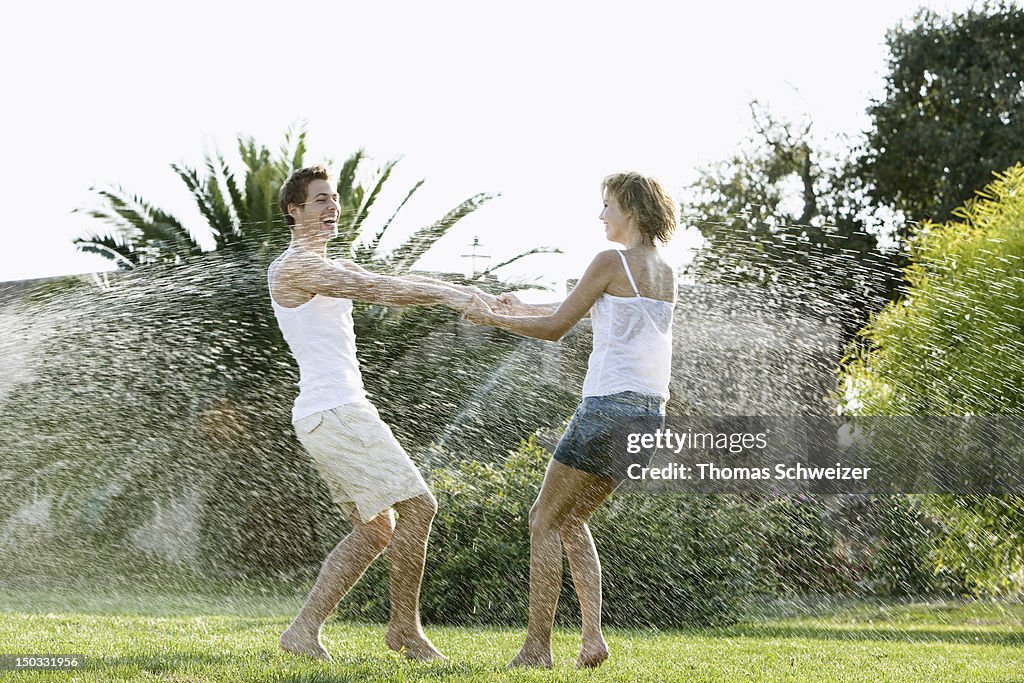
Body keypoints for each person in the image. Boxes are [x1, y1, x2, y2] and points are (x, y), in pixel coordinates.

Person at [269, 164, 497, 662]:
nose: (332, 209)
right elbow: (379, 293)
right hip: (335, 410)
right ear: (295, 210)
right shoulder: (294, 267)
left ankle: (302, 632)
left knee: (376, 529)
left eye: (334, 200)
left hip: (329, 412)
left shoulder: (333, 265)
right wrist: (451, 294)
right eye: (320, 200)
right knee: (420, 506)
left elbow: (389, 279)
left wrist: (490, 302)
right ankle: (404, 632)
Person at [463, 172, 678, 669]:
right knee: (572, 519)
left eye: (607, 205)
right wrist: (518, 306)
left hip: (607, 407)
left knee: (543, 519)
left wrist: (493, 319)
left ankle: (538, 648)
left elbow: (558, 327)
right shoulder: (663, 269)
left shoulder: (610, 260)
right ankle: (592, 640)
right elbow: (586, 310)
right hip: (648, 415)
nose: (601, 215)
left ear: (633, 210)